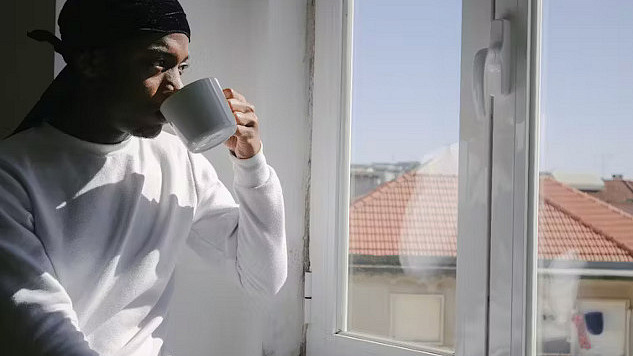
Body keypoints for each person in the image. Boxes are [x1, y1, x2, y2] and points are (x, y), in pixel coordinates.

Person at [0, 0, 287, 355]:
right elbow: (43, 332)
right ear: (92, 62)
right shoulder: (11, 174)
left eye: (182, 67)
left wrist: (251, 162)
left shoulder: (177, 159)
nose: (176, 87)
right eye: (158, 63)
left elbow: (263, 278)